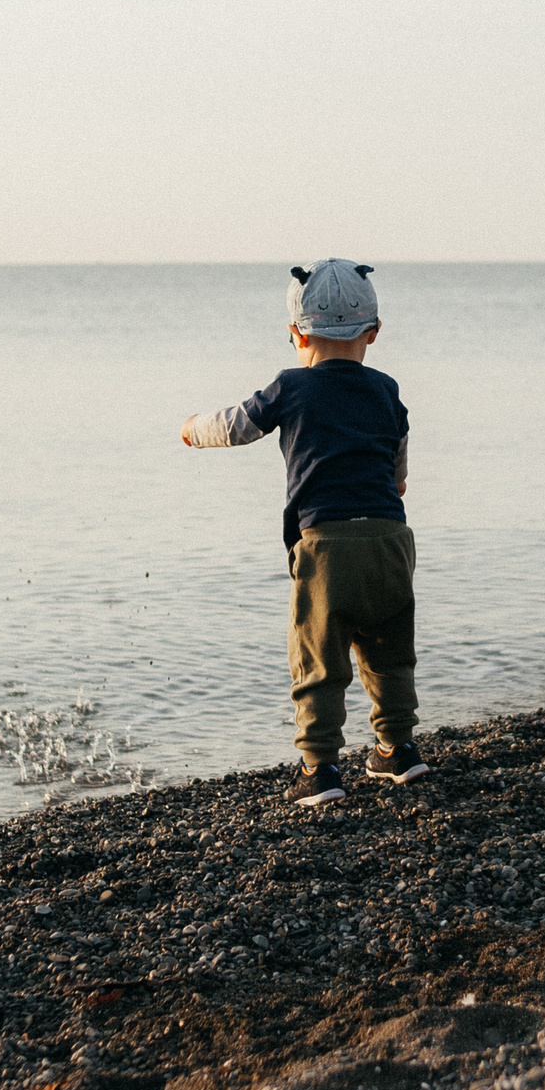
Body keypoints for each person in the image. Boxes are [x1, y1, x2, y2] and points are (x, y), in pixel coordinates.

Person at [180, 259, 429, 806]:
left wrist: (192, 431)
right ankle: (398, 749)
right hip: (391, 538)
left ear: (297, 333)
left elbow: (236, 425)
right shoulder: (387, 390)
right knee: (389, 648)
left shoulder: (291, 387)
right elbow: (399, 456)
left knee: (319, 654)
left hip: (325, 544)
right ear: (373, 333)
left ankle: (319, 768)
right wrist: (395, 480)